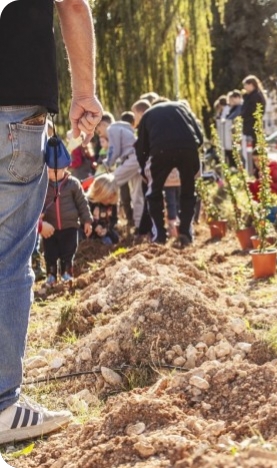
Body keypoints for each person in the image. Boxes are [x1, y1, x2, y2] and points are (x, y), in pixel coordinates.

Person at [0, 0, 102, 444]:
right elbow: (73, 5)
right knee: (7, 259)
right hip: (14, 108)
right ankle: (3, 404)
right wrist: (84, 92)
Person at [133, 99, 204, 245]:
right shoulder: (183, 108)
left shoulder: (148, 114)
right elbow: (200, 136)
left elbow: (141, 147)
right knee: (188, 191)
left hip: (160, 150)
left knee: (154, 193)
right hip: (187, 147)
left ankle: (159, 235)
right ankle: (185, 234)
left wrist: (144, 171)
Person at [41, 141, 93, 285]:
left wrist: (87, 220)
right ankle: (51, 275)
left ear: (65, 167)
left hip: (69, 226)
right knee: (50, 253)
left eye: (55, 171)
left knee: (68, 251)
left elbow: (82, 203)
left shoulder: (73, 184)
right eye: (49, 170)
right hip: (50, 227)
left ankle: (67, 273)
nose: (52, 174)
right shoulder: (44, 186)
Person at [86, 173, 120, 245]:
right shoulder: (90, 202)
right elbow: (84, 218)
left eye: (111, 197)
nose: (109, 200)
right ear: (98, 193)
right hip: (89, 229)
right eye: (106, 197)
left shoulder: (112, 203)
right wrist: (95, 226)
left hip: (104, 230)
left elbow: (114, 219)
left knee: (115, 238)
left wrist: (106, 229)